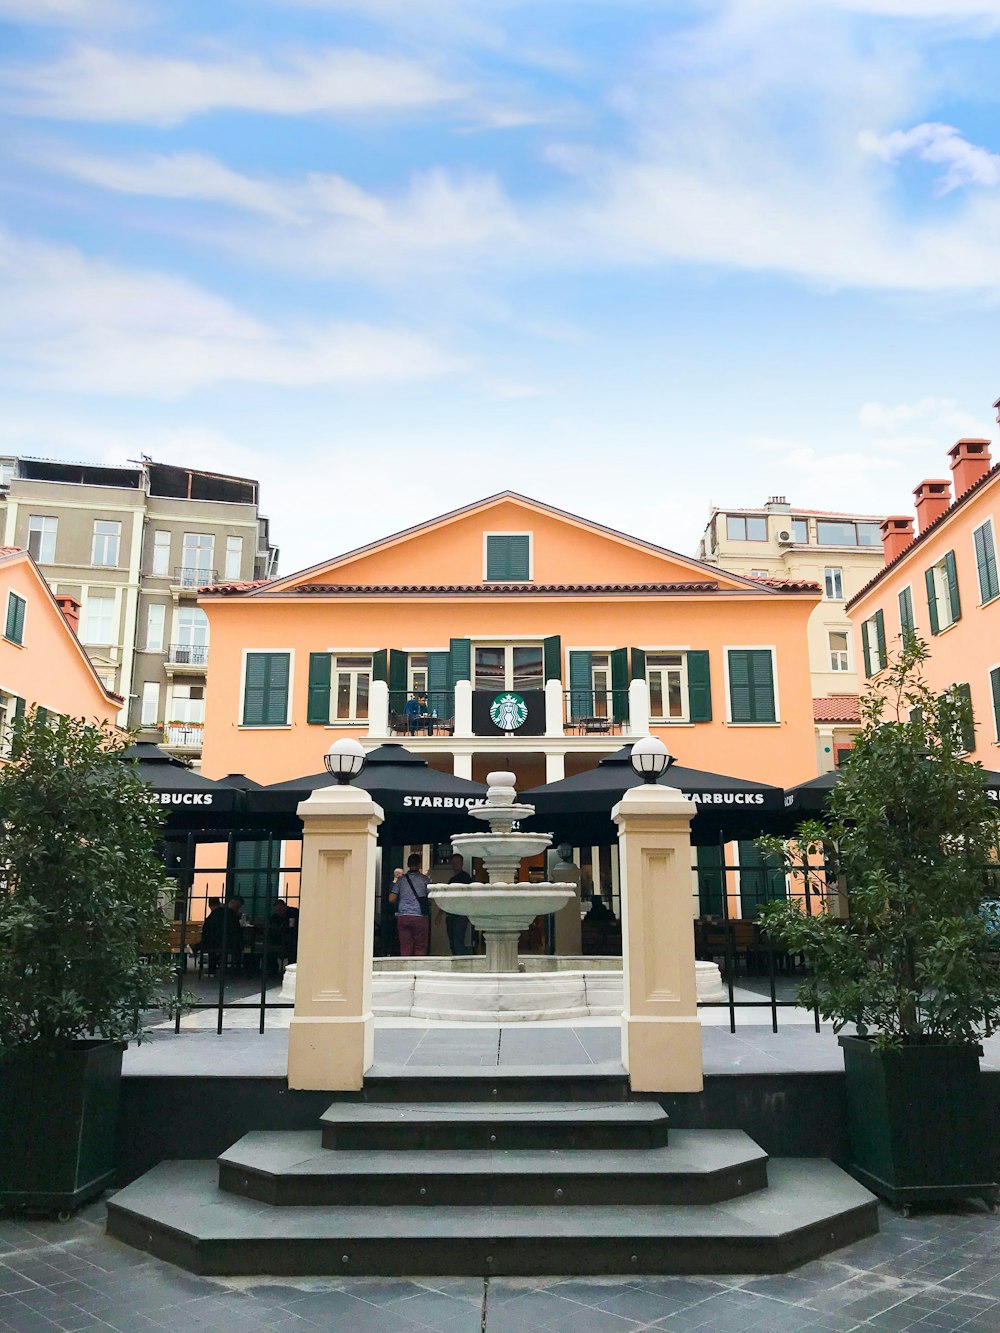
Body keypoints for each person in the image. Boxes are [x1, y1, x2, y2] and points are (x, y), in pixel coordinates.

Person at [390, 853, 431, 956]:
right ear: (419, 864)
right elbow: (431, 897)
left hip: (403, 916)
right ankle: (419, 969)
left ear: (408, 864)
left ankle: (406, 968)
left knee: (405, 946)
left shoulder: (401, 880)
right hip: (420, 916)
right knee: (420, 946)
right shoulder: (425, 880)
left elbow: (391, 898)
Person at [440, 852, 473, 956]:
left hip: (460, 915)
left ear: (462, 863)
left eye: (457, 862)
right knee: (453, 942)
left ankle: (460, 963)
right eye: (453, 862)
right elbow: (448, 898)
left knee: (457, 941)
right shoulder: (452, 880)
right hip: (452, 915)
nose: (455, 865)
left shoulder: (466, 878)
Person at [197, 897, 225, 975]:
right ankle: (195, 947)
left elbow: (206, 931)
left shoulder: (211, 917)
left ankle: (194, 947)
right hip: (229, 942)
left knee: (209, 943)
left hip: (214, 943)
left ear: (209, 905)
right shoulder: (227, 913)